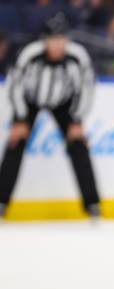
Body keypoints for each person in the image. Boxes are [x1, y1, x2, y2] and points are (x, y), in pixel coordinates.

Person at [0, 13, 100, 218]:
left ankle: (92, 203)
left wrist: (77, 120)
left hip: (64, 103)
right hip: (30, 101)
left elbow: (86, 88)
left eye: (61, 38)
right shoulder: (29, 54)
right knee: (15, 142)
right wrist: (20, 119)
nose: (57, 44)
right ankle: (1, 201)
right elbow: (15, 86)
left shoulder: (78, 56)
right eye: (53, 39)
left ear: (67, 39)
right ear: (44, 40)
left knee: (78, 144)